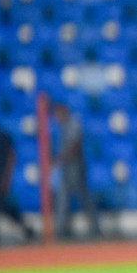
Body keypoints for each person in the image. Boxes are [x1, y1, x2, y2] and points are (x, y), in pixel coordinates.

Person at [0, 116, 36, 245]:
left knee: (4, 208)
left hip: (0, 178)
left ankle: (26, 229)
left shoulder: (2, 137)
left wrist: (6, 178)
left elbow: (11, 156)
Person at [51, 102, 99, 239]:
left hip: (75, 167)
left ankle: (95, 228)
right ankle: (62, 229)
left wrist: (61, 158)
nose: (57, 117)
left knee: (84, 198)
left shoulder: (73, 123)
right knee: (64, 198)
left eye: (58, 113)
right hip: (66, 167)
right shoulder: (61, 127)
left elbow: (76, 145)